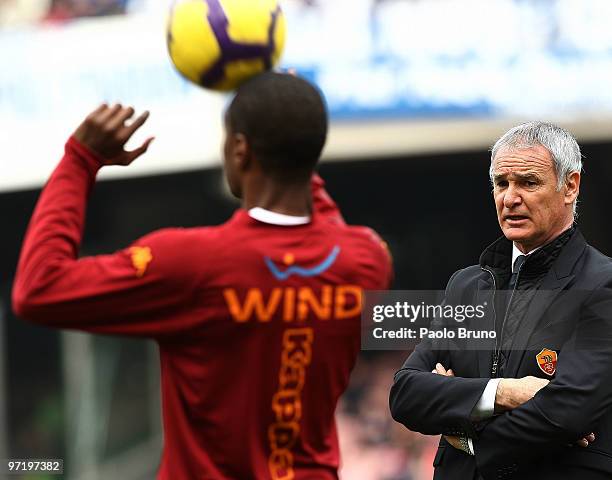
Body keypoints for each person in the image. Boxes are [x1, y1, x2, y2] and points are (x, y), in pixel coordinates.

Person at [12, 72, 393, 480]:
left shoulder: (190, 264)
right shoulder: (366, 260)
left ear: (241, 150)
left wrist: (80, 160)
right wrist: (288, 114)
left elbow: (38, 289)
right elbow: (318, 210)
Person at [389, 121, 612, 480]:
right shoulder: (465, 286)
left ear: (570, 186)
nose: (509, 198)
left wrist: (463, 434)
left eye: (528, 182)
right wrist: (504, 392)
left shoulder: (602, 284)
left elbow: (566, 412)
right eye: (501, 183)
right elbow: (406, 394)